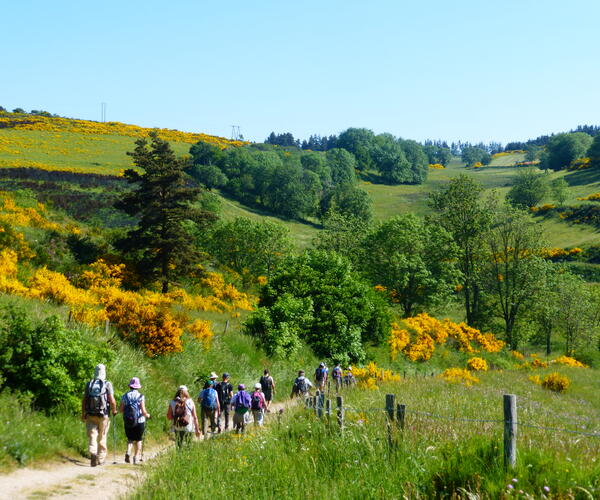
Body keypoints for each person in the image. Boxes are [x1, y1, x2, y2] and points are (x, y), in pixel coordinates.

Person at [81, 363, 117, 467]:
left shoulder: (89, 384)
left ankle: (93, 452)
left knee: (92, 434)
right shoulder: (107, 384)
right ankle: (101, 459)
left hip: (90, 413)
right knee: (102, 436)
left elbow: (84, 400)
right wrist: (114, 410)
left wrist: (83, 413)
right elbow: (112, 400)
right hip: (104, 415)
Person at [120, 377, 151, 465]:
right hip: (139, 421)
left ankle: (128, 452)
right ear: (138, 387)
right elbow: (143, 411)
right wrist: (148, 415)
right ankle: (136, 457)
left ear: (130, 386)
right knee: (138, 439)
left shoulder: (125, 396)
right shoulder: (141, 396)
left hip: (128, 421)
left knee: (130, 439)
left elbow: (121, 410)